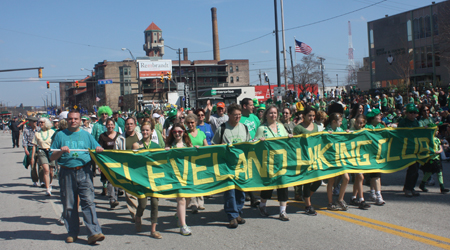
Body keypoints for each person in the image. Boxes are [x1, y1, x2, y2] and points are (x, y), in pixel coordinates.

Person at [49, 110, 105, 244]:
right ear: (66, 121)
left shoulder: (87, 135)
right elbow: (52, 157)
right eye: (70, 119)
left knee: (88, 202)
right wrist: (60, 151)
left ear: (80, 120)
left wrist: (98, 150)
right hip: (66, 172)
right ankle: (72, 232)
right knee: (69, 204)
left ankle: (94, 232)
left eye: (75, 119)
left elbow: (97, 150)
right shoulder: (60, 135)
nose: (73, 121)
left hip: (84, 172)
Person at [212, 103, 250, 228]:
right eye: (235, 115)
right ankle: (232, 216)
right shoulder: (222, 128)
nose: (238, 117)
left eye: (239, 115)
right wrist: (220, 146)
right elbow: (213, 146)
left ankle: (238, 211)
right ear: (229, 115)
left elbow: (249, 144)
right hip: (227, 166)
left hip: (241, 166)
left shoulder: (244, 128)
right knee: (230, 192)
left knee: (241, 192)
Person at [254, 105, 292, 221]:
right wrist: (259, 142)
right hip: (268, 162)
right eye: (270, 113)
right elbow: (254, 144)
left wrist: (290, 137)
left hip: (281, 162)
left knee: (283, 185)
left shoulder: (281, 126)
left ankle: (282, 211)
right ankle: (262, 206)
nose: (273, 115)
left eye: (275, 113)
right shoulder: (262, 129)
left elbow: (287, 141)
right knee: (268, 186)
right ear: (266, 115)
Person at [133, 121, 162, 239]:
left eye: (147, 130)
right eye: (143, 130)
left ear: (151, 131)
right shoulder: (136, 145)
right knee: (143, 204)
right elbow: (132, 162)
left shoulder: (156, 146)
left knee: (155, 203)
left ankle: (153, 230)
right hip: (141, 179)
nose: (145, 132)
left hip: (153, 179)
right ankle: (138, 216)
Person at [165, 123, 194, 236]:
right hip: (175, 176)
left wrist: (197, 150)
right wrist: (166, 151)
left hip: (187, 175)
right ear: (172, 133)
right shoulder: (169, 145)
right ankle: (183, 225)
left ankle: (179, 215)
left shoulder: (188, 144)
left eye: (180, 132)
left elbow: (194, 156)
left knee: (188, 199)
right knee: (181, 199)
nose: (177, 134)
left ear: (183, 132)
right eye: (174, 132)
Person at [293, 106, 322, 215]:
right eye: (309, 115)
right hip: (303, 158)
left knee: (318, 180)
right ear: (304, 116)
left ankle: (306, 197)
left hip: (314, 157)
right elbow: (294, 143)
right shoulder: (298, 128)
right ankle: (308, 205)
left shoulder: (315, 126)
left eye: (313, 116)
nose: (311, 118)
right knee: (307, 181)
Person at [324, 113, 350, 211]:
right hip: (331, 158)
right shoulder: (327, 130)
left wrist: (347, 133)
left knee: (346, 178)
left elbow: (344, 139)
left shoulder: (340, 130)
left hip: (340, 157)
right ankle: (330, 203)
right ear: (334, 122)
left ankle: (340, 199)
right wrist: (326, 135)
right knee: (331, 181)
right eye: (340, 121)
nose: (341, 122)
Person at [185, 114, 208, 213]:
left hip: (200, 161)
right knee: (192, 182)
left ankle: (201, 202)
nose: (190, 125)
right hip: (189, 161)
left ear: (196, 123)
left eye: (192, 123)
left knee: (201, 181)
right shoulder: (185, 134)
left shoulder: (201, 133)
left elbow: (206, 145)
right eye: (188, 123)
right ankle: (193, 203)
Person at [398, 103, 422, 197]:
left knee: (416, 169)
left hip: (416, 148)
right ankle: (408, 188)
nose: (413, 114)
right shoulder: (403, 122)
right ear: (407, 113)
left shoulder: (416, 122)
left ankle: (411, 187)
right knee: (412, 169)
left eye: (415, 112)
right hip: (407, 148)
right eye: (411, 112)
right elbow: (400, 134)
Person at [419, 124, 449, 194]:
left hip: (437, 158)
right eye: (435, 130)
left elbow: (440, 147)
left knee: (439, 173)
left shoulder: (437, 139)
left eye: (437, 130)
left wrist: (440, 150)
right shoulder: (427, 139)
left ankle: (442, 187)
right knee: (429, 172)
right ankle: (422, 184)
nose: (437, 132)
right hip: (431, 158)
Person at [31, 117, 55, 196]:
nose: (40, 124)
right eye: (39, 122)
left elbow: (56, 143)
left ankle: (50, 183)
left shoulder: (52, 132)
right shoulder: (37, 133)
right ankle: (47, 189)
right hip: (41, 151)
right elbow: (34, 145)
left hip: (51, 151)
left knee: (51, 171)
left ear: (46, 123)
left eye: (42, 122)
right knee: (46, 170)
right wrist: (32, 157)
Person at [98, 118, 120, 200]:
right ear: (106, 126)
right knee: (109, 179)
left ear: (114, 126)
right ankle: (112, 199)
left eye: (111, 124)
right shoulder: (102, 136)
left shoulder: (119, 135)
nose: (110, 126)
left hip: (116, 161)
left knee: (116, 179)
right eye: (108, 125)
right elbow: (99, 149)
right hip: (106, 161)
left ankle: (116, 194)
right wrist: (99, 164)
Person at [23, 117, 41, 186]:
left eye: (36, 121)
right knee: (32, 164)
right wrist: (25, 149)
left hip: (39, 147)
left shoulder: (39, 129)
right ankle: (35, 180)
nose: (35, 123)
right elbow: (24, 140)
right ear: (30, 122)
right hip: (30, 147)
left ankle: (42, 181)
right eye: (33, 121)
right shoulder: (26, 130)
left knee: (41, 165)